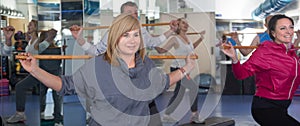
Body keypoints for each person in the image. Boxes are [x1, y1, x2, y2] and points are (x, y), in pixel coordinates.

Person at [19, 13, 195, 126]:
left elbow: (164, 82)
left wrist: (187, 67)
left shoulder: (146, 64)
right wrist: (35, 70)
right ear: (114, 38)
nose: (132, 40)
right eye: (125, 35)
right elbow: (65, 85)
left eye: (136, 35)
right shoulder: (98, 66)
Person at [221, 14, 300, 126]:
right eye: (283, 28)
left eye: (291, 27)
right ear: (273, 33)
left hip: (282, 106)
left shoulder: (291, 54)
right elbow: (241, 74)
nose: (289, 31)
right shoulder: (265, 52)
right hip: (266, 107)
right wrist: (234, 58)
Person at [74, 1, 177, 56]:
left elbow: (154, 42)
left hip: (139, 75)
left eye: (136, 12)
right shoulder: (113, 32)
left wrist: (171, 30)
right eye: (129, 13)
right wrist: (80, 39)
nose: (134, 15)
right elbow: (96, 51)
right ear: (122, 15)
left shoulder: (141, 30)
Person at [6, 20, 60, 125]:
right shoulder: (31, 41)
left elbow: (42, 47)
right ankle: (23, 113)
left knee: (20, 87)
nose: (28, 26)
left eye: (31, 25)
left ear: (36, 27)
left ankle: (20, 113)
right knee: (22, 87)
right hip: (34, 71)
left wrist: (50, 37)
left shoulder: (38, 42)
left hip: (39, 72)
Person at [154, 18, 205, 123]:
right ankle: (194, 115)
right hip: (178, 69)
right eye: (183, 23)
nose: (186, 24)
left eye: (187, 23)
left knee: (179, 94)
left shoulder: (187, 38)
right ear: (178, 25)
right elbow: (161, 50)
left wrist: (201, 39)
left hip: (186, 69)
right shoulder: (175, 39)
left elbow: (191, 48)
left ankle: (167, 114)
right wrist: (152, 43)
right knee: (194, 87)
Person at [38, 31, 63, 125]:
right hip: (55, 74)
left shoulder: (40, 50)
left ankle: (41, 113)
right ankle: (57, 118)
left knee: (42, 95)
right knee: (57, 98)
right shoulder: (58, 50)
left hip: (43, 74)